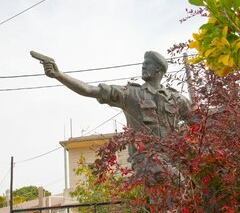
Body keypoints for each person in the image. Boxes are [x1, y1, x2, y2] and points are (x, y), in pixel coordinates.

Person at [35, 51, 192, 182]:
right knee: (180, 182)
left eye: (148, 63)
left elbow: (197, 122)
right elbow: (89, 90)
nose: (143, 65)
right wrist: (59, 75)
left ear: (158, 69)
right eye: (143, 63)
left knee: (181, 196)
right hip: (146, 161)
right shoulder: (131, 93)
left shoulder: (176, 99)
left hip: (172, 160)